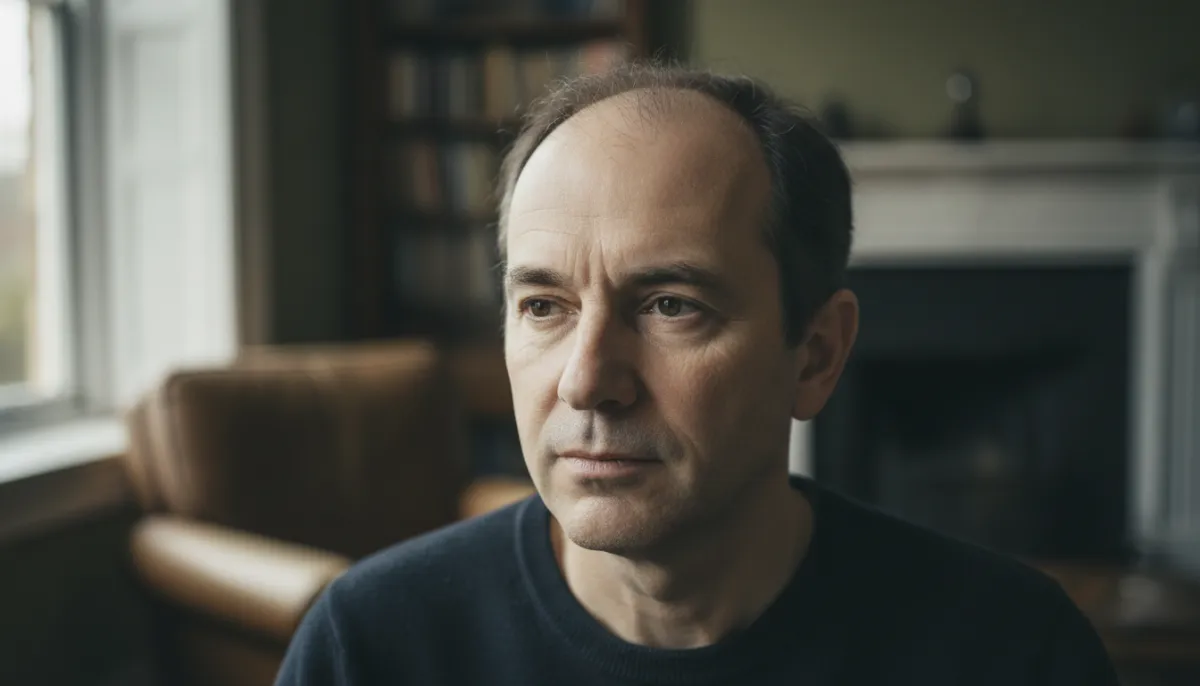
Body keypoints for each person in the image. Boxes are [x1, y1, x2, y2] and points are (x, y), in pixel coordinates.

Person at [276, 63, 1118, 685]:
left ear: (817, 354)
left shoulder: (1012, 653)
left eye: (671, 306)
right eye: (543, 306)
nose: (585, 381)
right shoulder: (371, 648)